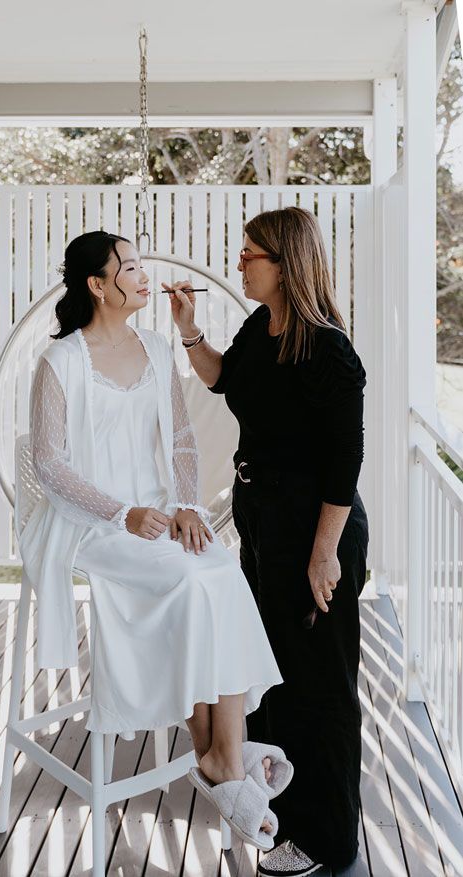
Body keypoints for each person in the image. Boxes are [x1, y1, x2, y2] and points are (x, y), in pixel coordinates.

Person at [21, 229, 291, 851]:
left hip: (161, 515)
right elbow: (52, 466)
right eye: (132, 267)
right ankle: (224, 755)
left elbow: (182, 442)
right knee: (194, 578)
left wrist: (188, 507)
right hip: (90, 523)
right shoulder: (59, 362)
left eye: (143, 264)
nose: (146, 275)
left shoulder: (154, 345)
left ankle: (222, 752)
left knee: (218, 568)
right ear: (97, 284)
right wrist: (125, 511)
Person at [166, 207, 369, 876]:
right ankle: (287, 812)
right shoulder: (264, 327)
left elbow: (344, 462)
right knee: (276, 675)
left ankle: (328, 840)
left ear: (283, 263)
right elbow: (225, 379)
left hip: (315, 534)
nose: (239, 262)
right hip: (263, 525)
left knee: (321, 686)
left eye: (249, 253)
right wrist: (190, 331)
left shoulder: (327, 346)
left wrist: (322, 553)